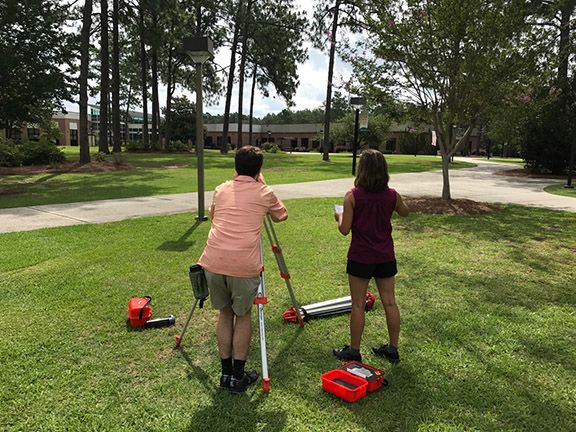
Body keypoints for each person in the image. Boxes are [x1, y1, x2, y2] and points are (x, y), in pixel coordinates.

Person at [198, 146, 288, 394]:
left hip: (213, 262)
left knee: (225, 315)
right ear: (259, 170)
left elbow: (214, 217)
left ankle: (225, 373)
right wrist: (263, 186)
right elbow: (282, 216)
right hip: (243, 266)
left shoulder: (221, 189)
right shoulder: (264, 192)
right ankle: (238, 375)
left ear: (235, 167)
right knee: (244, 315)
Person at [333, 149, 409, 364]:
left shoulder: (353, 196)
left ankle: (354, 351)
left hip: (360, 256)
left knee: (358, 304)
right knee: (390, 302)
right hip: (385, 255)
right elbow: (405, 212)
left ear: (361, 170)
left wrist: (339, 216)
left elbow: (344, 229)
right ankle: (393, 349)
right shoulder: (392, 195)